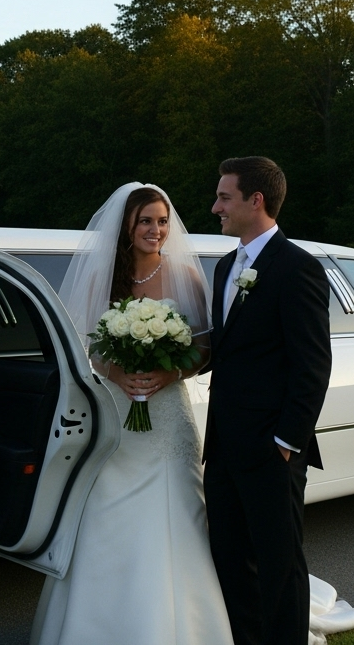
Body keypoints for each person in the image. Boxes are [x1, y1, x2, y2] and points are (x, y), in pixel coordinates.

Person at [32, 183, 235, 644]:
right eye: (146, 221)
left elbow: (204, 348)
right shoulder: (103, 277)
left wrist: (170, 375)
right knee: (106, 511)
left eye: (162, 221)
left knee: (178, 509)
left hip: (167, 415)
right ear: (127, 225)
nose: (156, 230)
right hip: (117, 412)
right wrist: (118, 373)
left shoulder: (187, 273)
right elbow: (83, 348)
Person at [204, 156, 331, 645]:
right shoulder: (223, 268)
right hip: (223, 449)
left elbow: (312, 365)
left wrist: (286, 442)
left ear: (255, 201)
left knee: (281, 567)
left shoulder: (297, 268)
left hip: (271, 450)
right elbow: (228, 346)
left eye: (224, 197)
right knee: (231, 563)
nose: (216, 206)